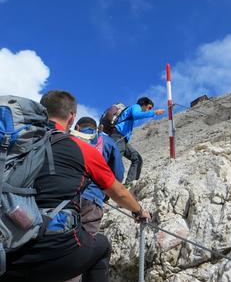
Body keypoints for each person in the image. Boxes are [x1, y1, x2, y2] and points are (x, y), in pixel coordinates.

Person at [1, 90, 151, 282]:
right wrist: (139, 211)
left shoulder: (16, 145)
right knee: (102, 246)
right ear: (72, 117)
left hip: (9, 251)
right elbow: (118, 191)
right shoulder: (81, 148)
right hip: (55, 248)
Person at [73, 117, 125, 235]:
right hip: (94, 197)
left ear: (77, 128)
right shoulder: (108, 141)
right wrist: (106, 195)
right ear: (98, 128)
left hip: (67, 197)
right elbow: (118, 174)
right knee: (87, 241)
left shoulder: (70, 138)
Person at [110, 97, 164, 184]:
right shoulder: (136, 107)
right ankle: (109, 183)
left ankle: (130, 183)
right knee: (116, 158)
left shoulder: (133, 109)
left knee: (137, 158)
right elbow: (136, 114)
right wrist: (154, 112)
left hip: (122, 139)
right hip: (118, 136)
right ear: (143, 104)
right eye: (149, 107)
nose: (148, 110)